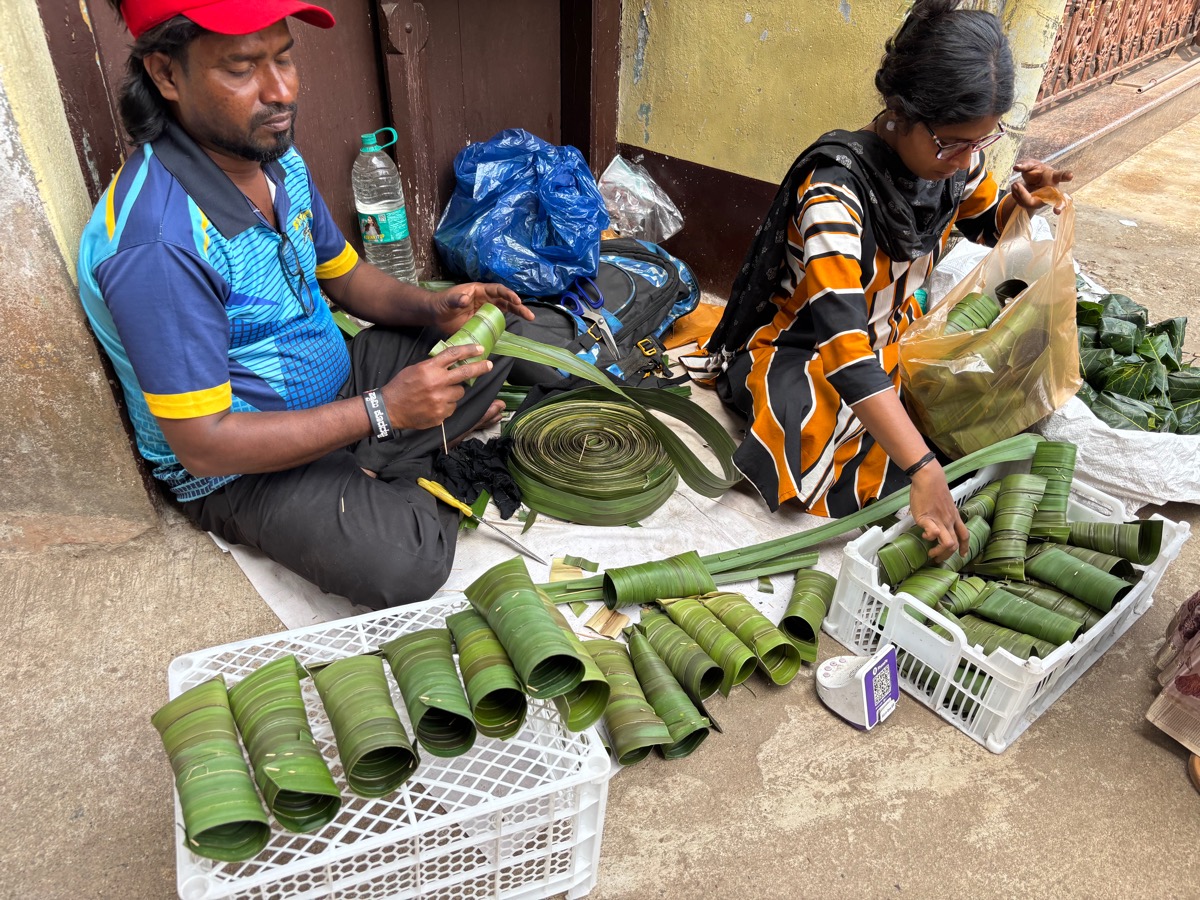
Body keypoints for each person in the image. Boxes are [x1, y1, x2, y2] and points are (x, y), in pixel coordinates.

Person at [77, 0, 534, 609]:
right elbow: (205, 444)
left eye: (284, 57)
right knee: (406, 563)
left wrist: (436, 306)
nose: (281, 90)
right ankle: (399, 454)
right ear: (166, 75)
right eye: (242, 68)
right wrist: (385, 410)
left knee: (503, 344)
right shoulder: (158, 244)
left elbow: (346, 277)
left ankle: (380, 457)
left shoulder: (275, 159)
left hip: (340, 390)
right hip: (243, 465)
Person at [707, 0, 1072, 563]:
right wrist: (922, 467)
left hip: (890, 343)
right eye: (952, 142)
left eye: (981, 141)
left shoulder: (955, 162)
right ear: (901, 111)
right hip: (815, 350)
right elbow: (844, 349)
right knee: (808, 444)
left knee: (933, 429)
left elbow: (980, 219)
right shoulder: (834, 192)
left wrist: (1029, 202)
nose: (965, 159)